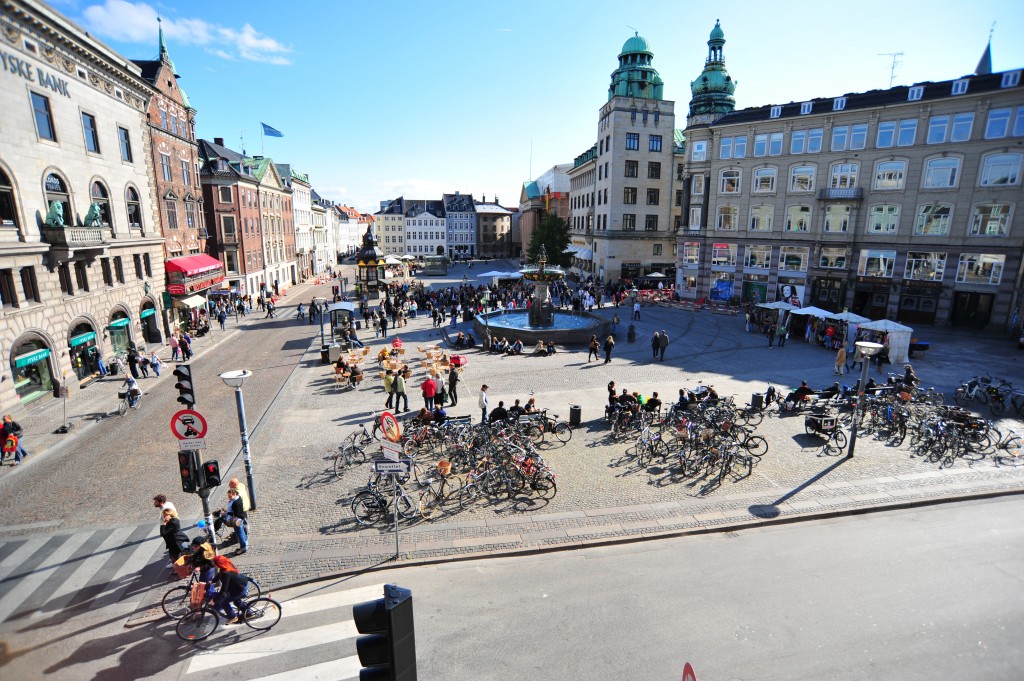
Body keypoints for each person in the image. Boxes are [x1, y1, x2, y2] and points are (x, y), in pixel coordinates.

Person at [211, 556, 250, 624]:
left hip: (240, 589)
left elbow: (223, 589)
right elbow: (219, 574)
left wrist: (214, 600)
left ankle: (233, 617)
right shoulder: (227, 565)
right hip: (243, 583)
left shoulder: (225, 574)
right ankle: (248, 611)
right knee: (236, 601)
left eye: (215, 564)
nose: (214, 565)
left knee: (223, 602)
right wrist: (212, 581)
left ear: (219, 565)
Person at [224, 488, 248, 555]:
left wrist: (227, 514)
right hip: (240, 518)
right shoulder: (238, 498)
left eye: (230, 496)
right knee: (242, 532)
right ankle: (244, 545)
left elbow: (236, 514)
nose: (229, 498)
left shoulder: (236, 503)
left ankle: (243, 548)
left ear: (235, 494)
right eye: (228, 496)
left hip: (237, 520)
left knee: (240, 534)